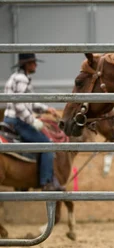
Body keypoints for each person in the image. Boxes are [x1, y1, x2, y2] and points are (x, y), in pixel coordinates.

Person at [3, 53, 63, 191]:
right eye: (33, 62)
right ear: (26, 65)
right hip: (18, 121)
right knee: (47, 145)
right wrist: (32, 121)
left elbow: (29, 102)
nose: (35, 65)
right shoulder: (22, 79)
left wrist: (47, 109)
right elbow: (19, 105)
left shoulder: (15, 77)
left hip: (9, 119)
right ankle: (46, 182)